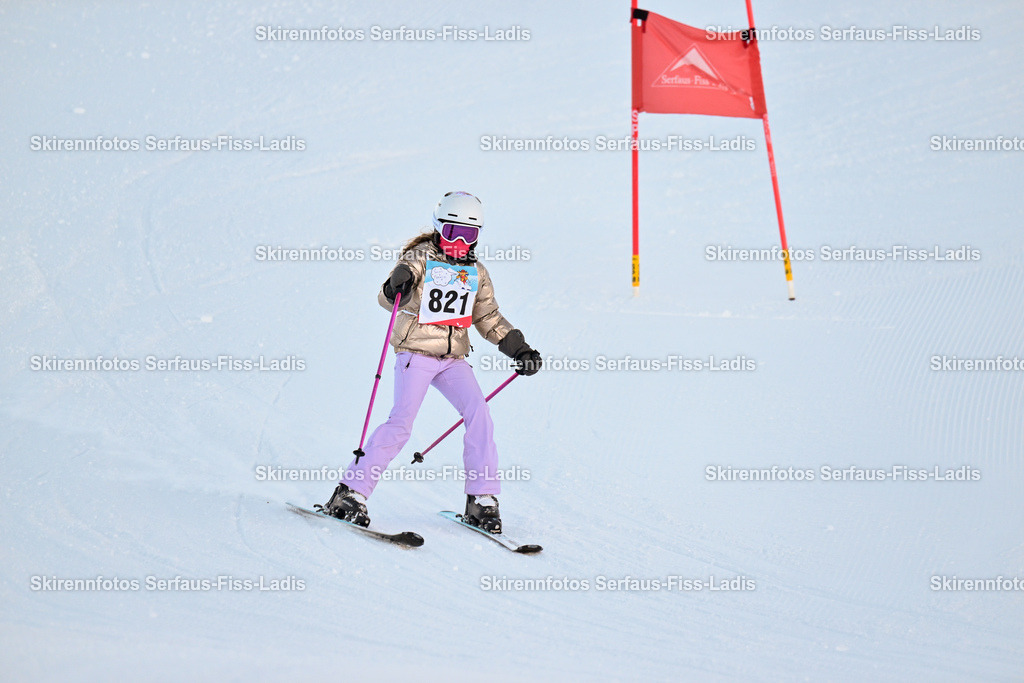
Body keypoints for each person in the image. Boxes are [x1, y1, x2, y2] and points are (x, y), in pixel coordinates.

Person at [321, 191, 541, 533]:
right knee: (401, 423)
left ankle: (481, 500)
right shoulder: (420, 258)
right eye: (453, 232)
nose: (459, 242)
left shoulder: (476, 272)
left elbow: (488, 318)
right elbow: (388, 296)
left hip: (452, 359)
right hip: (416, 354)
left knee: (479, 415)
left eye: (468, 235)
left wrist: (518, 348)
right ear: (439, 228)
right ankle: (350, 492)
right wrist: (398, 285)